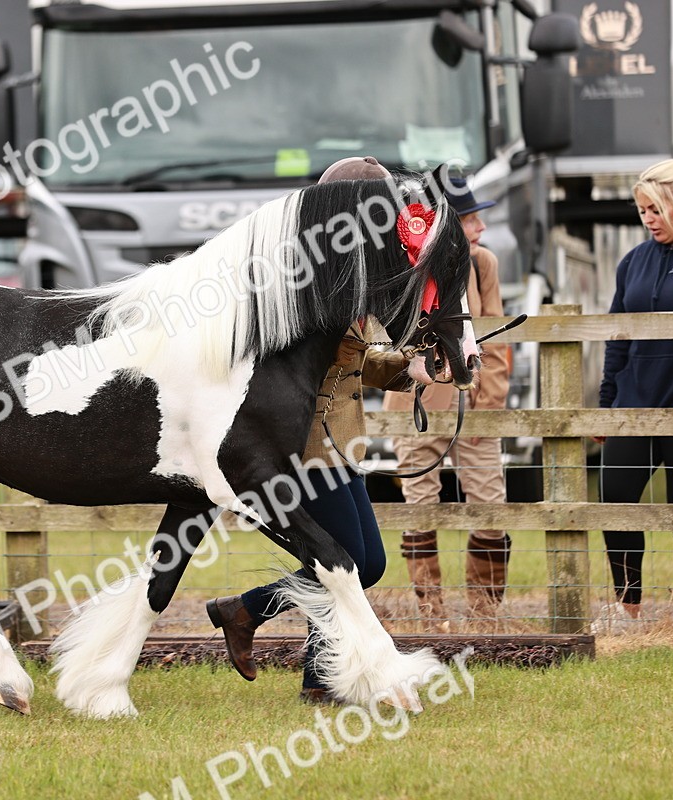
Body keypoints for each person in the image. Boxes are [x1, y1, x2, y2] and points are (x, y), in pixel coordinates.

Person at [205, 156, 417, 704]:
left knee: (357, 562)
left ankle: (294, 656)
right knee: (350, 563)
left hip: (341, 441)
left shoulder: (350, 271)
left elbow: (358, 362)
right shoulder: (305, 276)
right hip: (305, 442)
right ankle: (261, 624)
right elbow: (314, 360)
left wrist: (407, 368)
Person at [384, 173, 511, 632]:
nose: (481, 227)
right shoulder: (403, 264)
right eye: (471, 218)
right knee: (420, 505)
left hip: (473, 404)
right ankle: (431, 613)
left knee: (491, 504)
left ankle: (485, 614)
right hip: (415, 404)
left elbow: (496, 334)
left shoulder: (482, 263)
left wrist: (489, 402)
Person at [591, 159, 673, 635]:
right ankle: (629, 607)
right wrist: (606, 406)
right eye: (643, 211)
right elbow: (617, 337)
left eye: (656, 209)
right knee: (617, 505)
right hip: (632, 407)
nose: (648, 219)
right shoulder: (633, 262)